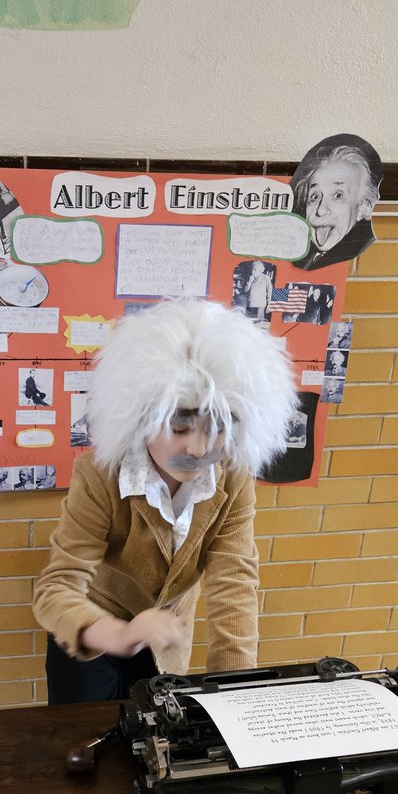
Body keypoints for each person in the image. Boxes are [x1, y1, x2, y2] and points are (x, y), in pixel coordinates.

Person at [32, 298, 297, 704]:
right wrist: (120, 634)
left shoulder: (234, 480)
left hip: (167, 646)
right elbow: (56, 589)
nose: (198, 447)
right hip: (93, 634)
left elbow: (235, 584)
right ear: (142, 417)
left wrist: (236, 696)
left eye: (218, 428)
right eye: (179, 427)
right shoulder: (99, 476)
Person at [291, 135, 383, 271]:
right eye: (315, 197)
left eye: (338, 195)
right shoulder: (302, 260)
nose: (320, 210)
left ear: (363, 207)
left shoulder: (365, 264)